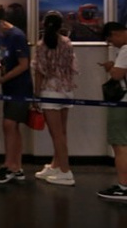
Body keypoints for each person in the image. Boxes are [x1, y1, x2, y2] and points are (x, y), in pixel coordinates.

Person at [0, 8, 32, 184]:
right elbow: (1, 57)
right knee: (12, 127)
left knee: (9, 124)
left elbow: (23, 65)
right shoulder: (0, 38)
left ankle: (9, 165)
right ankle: (16, 166)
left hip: (20, 87)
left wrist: (3, 78)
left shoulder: (17, 36)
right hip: (8, 87)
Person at [32, 11, 77, 186]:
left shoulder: (41, 45)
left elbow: (39, 71)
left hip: (50, 92)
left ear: (44, 25)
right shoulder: (67, 42)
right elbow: (72, 67)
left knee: (56, 134)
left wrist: (36, 94)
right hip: (66, 90)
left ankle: (66, 172)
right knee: (62, 132)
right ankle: (56, 165)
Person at [97, 22, 127, 201]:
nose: (112, 44)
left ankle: (124, 186)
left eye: (110, 40)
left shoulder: (125, 50)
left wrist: (111, 67)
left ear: (115, 34)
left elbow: (117, 74)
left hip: (123, 103)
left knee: (120, 144)